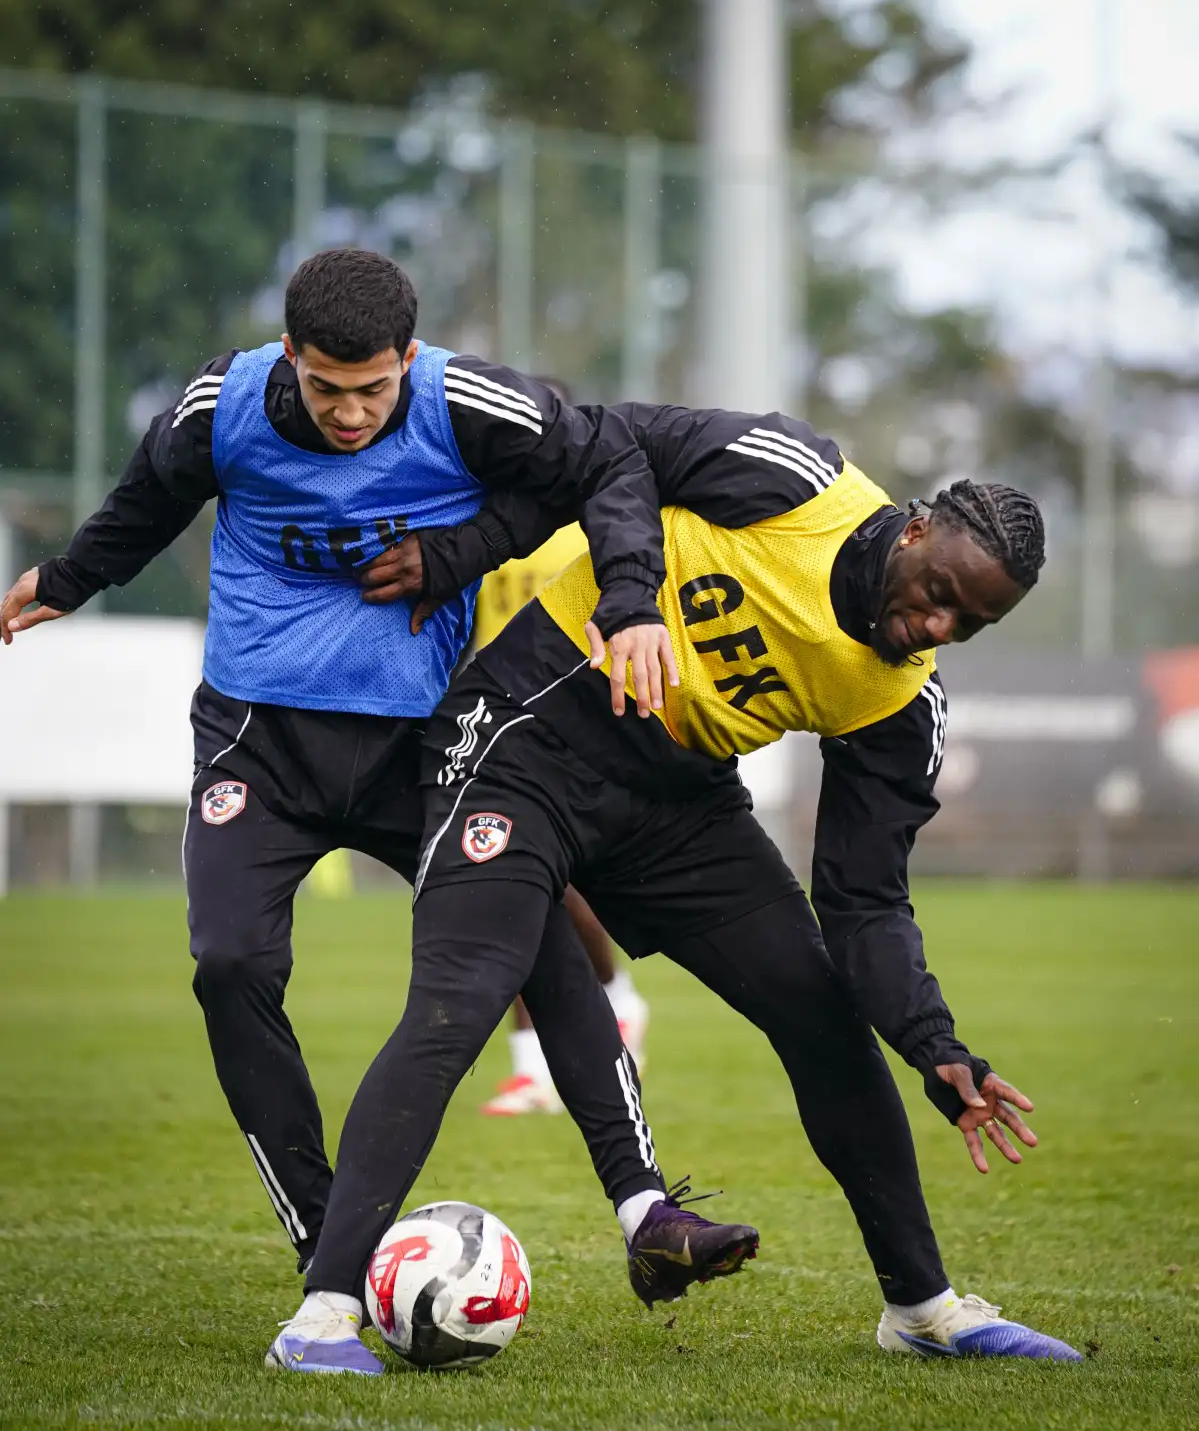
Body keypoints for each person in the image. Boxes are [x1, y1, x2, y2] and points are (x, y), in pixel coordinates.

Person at [1, 253, 758, 1367]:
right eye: (325, 390)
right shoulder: (221, 407)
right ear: (290, 359)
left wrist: (574, 583)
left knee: (541, 941)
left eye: (373, 389)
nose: (351, 415)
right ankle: (327, 1239)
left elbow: (605, 463)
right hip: (260, 744)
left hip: (428, 747)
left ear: (408, 358)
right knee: (230, 966)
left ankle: (648, 1213)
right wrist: (64, 581)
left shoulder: (467, 401)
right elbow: (149, 497)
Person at [295, 404, 1084, 1369]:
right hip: (527, 732)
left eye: (970, 622)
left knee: (822, 1016)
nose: (935, 624)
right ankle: (323, 1315)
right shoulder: (797, 482)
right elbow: (609, 442)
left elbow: (864, 901)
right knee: (460, 1001)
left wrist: (933, 1042)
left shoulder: (900, 700)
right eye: (937, 593)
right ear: (915, 529)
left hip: (677, 800)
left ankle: (922, 1310)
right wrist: (571, 580)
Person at [472, 376, 650, 1117]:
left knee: (548, 888)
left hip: (585, 726)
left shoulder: (599, 518)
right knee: (502, 885)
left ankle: (613, 999)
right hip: (498, 721)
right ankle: (529, 1065)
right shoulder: (489, 520)